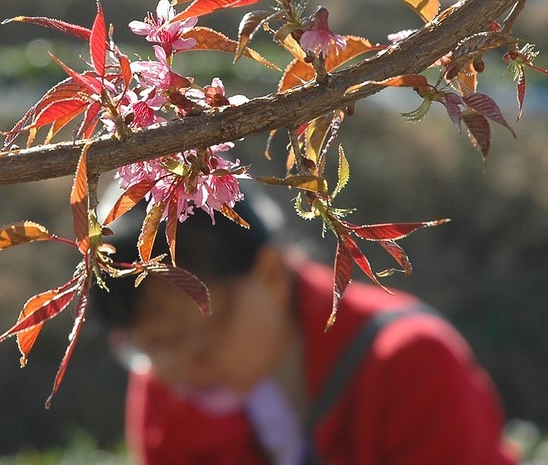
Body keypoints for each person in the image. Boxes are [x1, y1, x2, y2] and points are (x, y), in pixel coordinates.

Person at [94, 192, 518, 465]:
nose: (186, 365)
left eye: (200, 331)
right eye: (152, 342)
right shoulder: (166, 384)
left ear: (271, 276)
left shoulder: (411, 364)